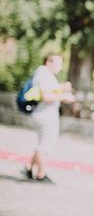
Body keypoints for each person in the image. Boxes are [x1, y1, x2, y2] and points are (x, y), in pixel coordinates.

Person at [23, 54, 75, 182]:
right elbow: (46, 97)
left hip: (44, 113)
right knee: (45, 145)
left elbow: (48, 91)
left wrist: (61, 89)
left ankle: (29, 167)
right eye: (59, 63)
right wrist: (63, 96)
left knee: (42, 143)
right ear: (48, 62)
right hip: (45, 114)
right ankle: (41, 174)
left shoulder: (43, 74)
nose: (60, 67)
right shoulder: (44, 75)